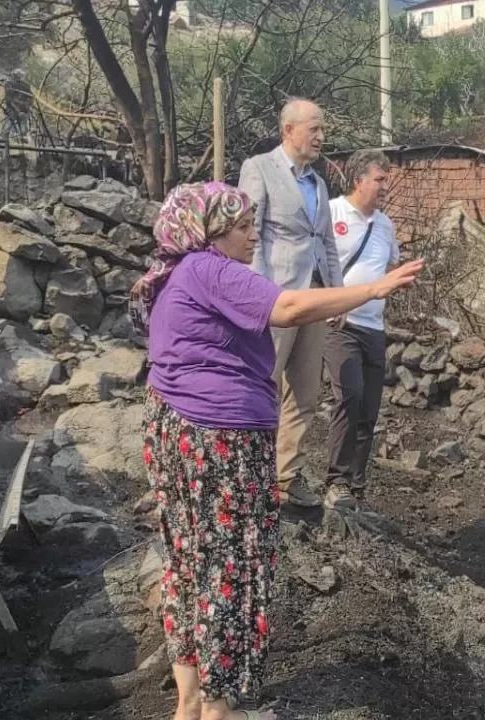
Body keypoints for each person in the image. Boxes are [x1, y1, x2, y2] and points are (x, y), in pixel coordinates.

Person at [130, 182, 424, 720]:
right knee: (229, 568)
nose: (251, 234)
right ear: (210, 232)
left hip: (175, 432)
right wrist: (370, 290)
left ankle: (191, 703)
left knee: (188, 565)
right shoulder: (208, 269)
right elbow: (286, 306)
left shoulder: (173, 274)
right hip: (220, 440)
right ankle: (221, 708)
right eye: (241, 225)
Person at [238, 98, 343, 508]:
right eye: (314, 129)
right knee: (262, 383)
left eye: (322, 129)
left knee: (305, 393)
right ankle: (249, 473)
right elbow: (251, 235)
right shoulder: (260, 168)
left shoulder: (318, 183)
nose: (321, 137)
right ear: (289, 131)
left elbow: (327, 245)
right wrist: (262, 295)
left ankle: (285, 478)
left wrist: (336, 297)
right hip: (277, 298)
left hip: (313, 299)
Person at [321, 150, 398, 510]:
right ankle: (336, 480)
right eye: (379, 179)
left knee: (368, 409)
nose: (385, 186)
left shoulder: (385, 226)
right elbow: (316, 263)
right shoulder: (332, 212)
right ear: (358, 181)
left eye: (386, 178)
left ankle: (356, 487)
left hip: (374, 327)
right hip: (340, 324)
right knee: (348, 396)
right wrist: (328, 302)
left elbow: (388, 269)